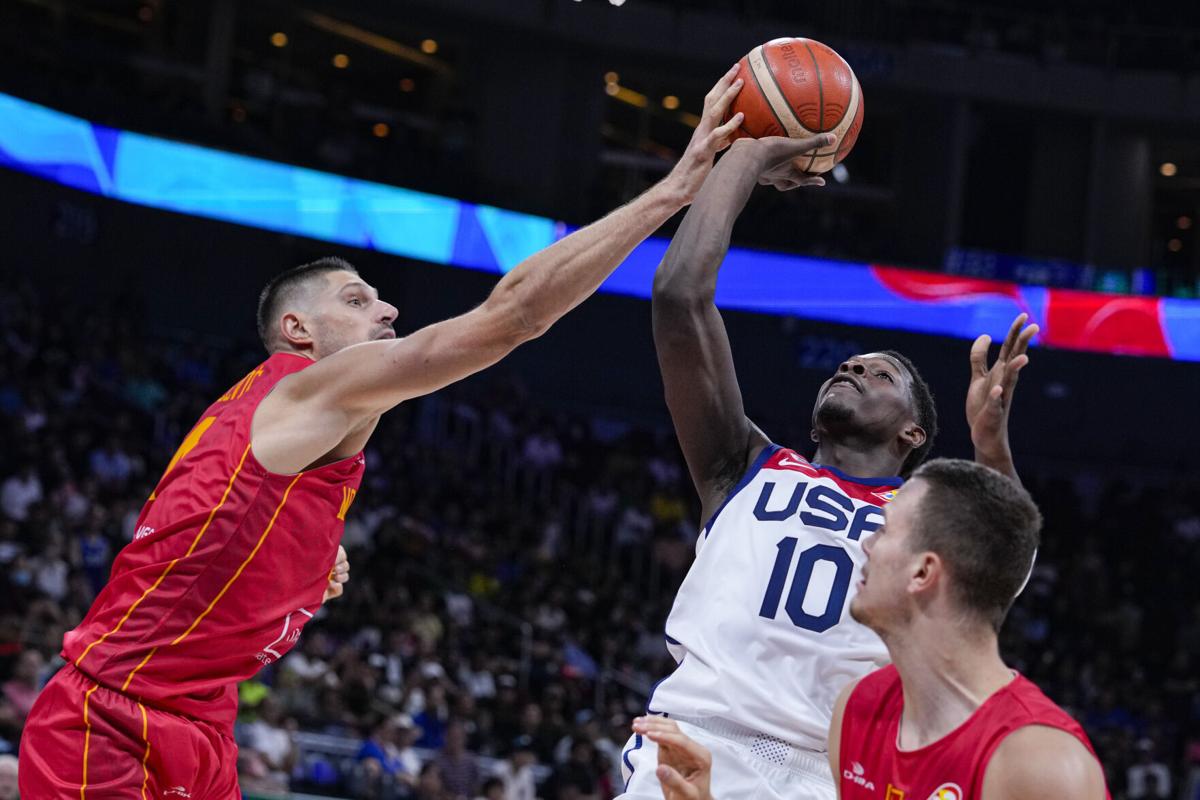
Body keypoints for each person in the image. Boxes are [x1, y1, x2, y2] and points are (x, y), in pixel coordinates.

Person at [17, 65, 751, 799]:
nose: (388, 309)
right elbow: (515, 317)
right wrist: (674, 188)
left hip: (202, 728)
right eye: (356, 300)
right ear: (297, 330)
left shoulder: (298, 431)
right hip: (112, 722)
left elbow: (209, 535)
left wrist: (307, 564)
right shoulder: (304, 386)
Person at [620, 132, 1038, 800]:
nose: (852, 369)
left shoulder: (925, 512)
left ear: (913, 431)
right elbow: (679, 295)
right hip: (698, 738)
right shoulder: (742, 463)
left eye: (880, 374)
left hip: (834, 770)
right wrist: (746, 158)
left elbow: (1005, 563)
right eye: (848, 364)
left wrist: (990, 445)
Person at [632, 459, 1108, 800]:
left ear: (923, 572)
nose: (864, 545)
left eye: (882, 531)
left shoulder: (1040, 763)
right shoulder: (859, 711)